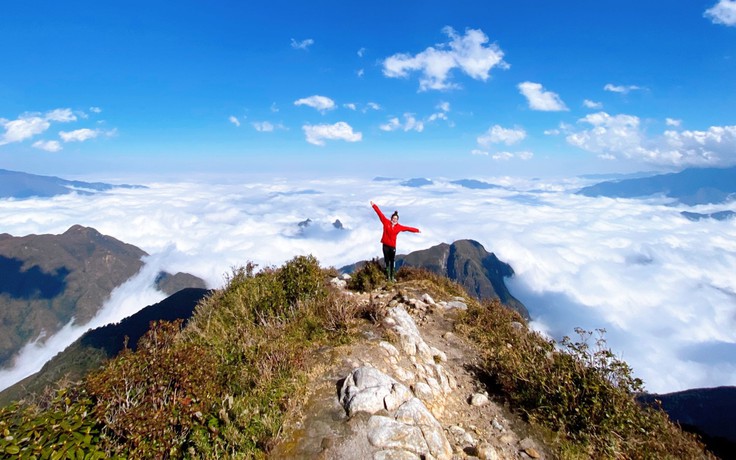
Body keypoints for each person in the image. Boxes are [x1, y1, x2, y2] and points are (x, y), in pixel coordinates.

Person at [370, 200, 420, 282]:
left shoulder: (399, 227)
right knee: (386, 261)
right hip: (385, 245)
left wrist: (417, 230)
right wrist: (374, 205)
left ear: (397, 220)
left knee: (392, 261)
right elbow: (379, 214)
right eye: (393, 218)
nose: (394, 220)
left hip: (392, 246)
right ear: (391, 218)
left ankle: (392, 276)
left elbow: (408, 228)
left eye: (396, 219)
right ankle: (388, 277)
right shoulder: (386, 222)